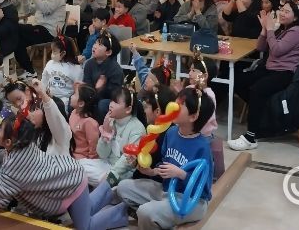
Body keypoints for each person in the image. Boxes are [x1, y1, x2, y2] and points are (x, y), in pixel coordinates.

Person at [0, 113, 129, 229]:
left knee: (85, 227)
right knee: (85, 208)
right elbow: (10, 186)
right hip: (68, 177)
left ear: (8, 142)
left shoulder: (15, 163)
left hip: (70, 183)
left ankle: (121, 212)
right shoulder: (21, 147)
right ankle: (107, 189)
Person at [116, 87, 215, 228]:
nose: (173, 105)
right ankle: (159, 217)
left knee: (145, 212)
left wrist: (181, 174)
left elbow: (204, 190)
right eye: (177, 100)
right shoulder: (171, 132)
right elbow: (163, 164)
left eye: (181, 104)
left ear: (193, 117)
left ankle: (155, 215)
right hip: (166, 190)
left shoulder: (203, 147)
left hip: (190, 201)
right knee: (123, 187)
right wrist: (150, 171)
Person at [228, 0, 299, 150]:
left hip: (285, 73)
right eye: (282, 10)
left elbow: (276, 50)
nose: (282, 14)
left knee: (257, 90)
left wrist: (270, 29)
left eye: (287, 12)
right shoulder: (283, 29)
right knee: (238, 80)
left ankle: (251, 137)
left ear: (296, 17)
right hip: (271, 69)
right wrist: (264, 30)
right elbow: (260, 47)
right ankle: (263, 114)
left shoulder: (296, 32)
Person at [80, 86, 146, 187]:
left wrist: (110, 175)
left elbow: (127, 160)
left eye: (116, 102)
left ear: (128, 109)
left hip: (123, 173)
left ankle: (109, 189)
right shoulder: (111, 121)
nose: (111, 105)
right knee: (79, 165)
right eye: (111, 101)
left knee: (82, 174)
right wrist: (106, 132)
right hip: (107, 164)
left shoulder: (137, 128)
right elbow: (102, 154)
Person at [14, 0, 67, 79]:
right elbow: (29, 11)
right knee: (17, 41)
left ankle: (3, 59)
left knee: (14, 28)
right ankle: (30, 71)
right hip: (39, 28)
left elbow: (46, 9)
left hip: (49, 31)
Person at [82, 31, 124, 122]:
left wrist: (101, 88)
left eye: (100, 45)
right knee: (75, 99)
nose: (94, 46)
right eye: (95, 43)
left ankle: (101, 128)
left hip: (107, 100)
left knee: (102, 104)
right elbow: (87, 86)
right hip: (92, 97)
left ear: (108, 52)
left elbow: (115, 95)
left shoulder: (115, 70)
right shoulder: (89, 64)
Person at [41, 35, 83, 109]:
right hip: (49, 98)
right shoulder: (50, 64)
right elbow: (44, 80)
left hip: (65, 101)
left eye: (54, 51)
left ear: (63, 53)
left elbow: (78, 88)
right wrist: (42, 93)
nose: (51, 54)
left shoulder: (75, 68)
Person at [70, 84, 100, 161]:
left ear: (81, 103)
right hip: (71, 152)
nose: (71, 96)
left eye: (75, 94)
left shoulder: (89, 122)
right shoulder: (73, 112)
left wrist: (91, 160)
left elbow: (93, 144)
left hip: (83, 158)